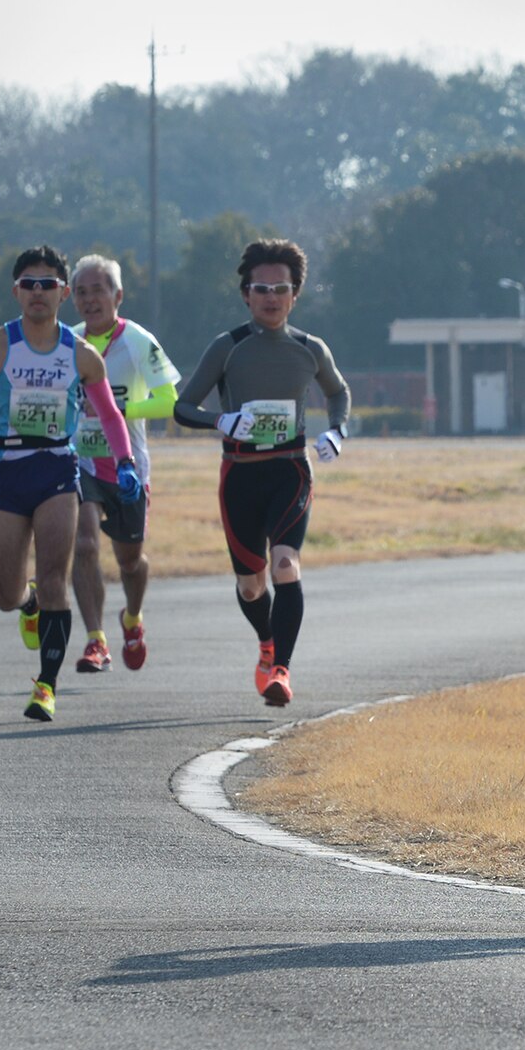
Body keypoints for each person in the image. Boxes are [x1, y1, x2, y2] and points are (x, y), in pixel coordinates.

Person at [0, 246, 140, 721]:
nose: (38, 292)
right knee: (4, 593)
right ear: (16, 291)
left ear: (63, 292)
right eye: (29, 283)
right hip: (6, 467)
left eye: (48, 284)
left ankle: (46, 685)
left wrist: (124, 461)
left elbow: (108, 413)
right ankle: (27, 605)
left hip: (57, 468)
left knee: (54, 579)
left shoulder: (81, 355)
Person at [174, 238, 351, 710]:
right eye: (262, 288)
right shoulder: (228, 348)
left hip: (290, 470)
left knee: (285, 564)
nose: (271, 297)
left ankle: (282, 671)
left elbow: (338, 392)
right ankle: (267, 642)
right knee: (252, 585)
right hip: (239, 477)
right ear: (246, 295)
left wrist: (337, 431)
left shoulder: (310, 348)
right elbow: (182, 406)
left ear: (295, 295)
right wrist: (221, 420)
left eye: (281, 288)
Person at [64, 255, 180, 673]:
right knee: (85, 544)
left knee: (130, 560)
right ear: (72, 298)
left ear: (118, 295)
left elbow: (170, 400)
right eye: (81, 291)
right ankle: (95, 640)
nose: (90, 299)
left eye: (99, 290)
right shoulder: (67, 341)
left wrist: (116, 409)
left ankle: (132, 618)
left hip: (129, 466)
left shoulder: (138, 341)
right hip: (82, 466)